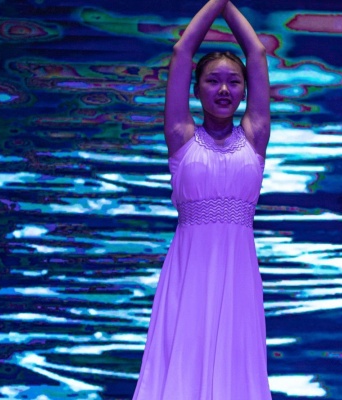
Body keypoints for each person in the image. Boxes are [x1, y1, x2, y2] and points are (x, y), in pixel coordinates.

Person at [132, 0, 271, 398]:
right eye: (213, 81)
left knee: (236, 366)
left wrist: (228, 6)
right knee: (183, 359)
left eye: (234, 82)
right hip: (189, 270)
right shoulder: (181, 136)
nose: (224, 90)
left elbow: (256, 52)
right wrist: (216, 4)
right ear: (195, 90)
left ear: (245, 90)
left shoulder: (255, 137)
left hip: (238, 272)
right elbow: (182, 51)